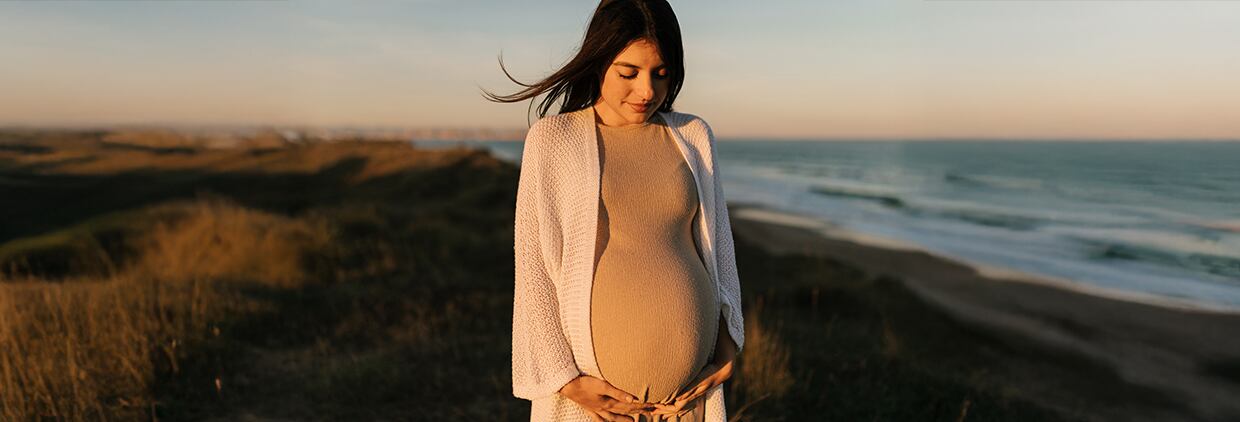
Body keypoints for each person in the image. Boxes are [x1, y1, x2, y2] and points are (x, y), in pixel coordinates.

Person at [486, 1, 745, 421]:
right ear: (598, 60)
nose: (646, 91)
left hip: (685, 404)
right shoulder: (554, 141)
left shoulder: (692, 136)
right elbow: (534, 271)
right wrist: (566, 381)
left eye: (661, 74)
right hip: (591, 406)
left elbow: (721, 250)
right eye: (629, 73)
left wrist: (729, 348)